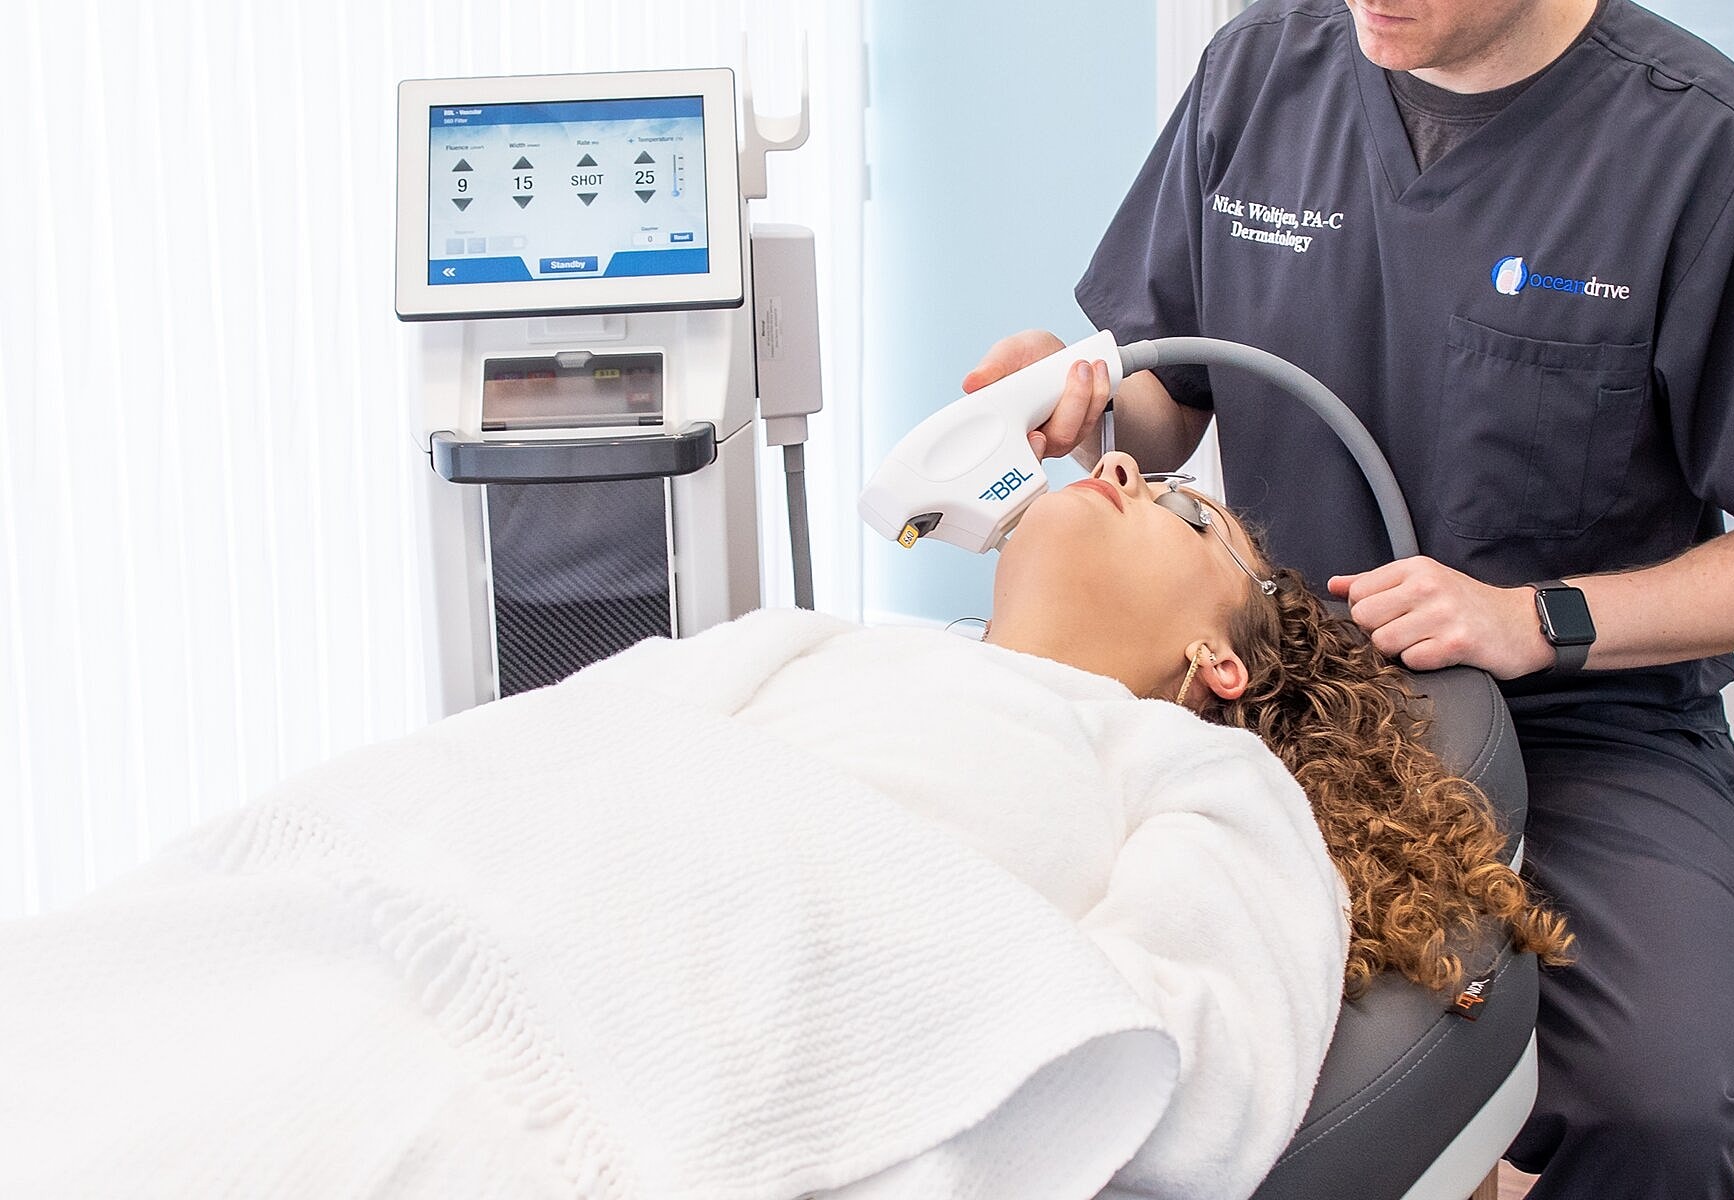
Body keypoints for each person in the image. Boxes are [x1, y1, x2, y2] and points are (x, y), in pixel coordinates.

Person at [0, 449, 1565, 1200]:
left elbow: (1201, 1072)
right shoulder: (827, 642)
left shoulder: (1191, 774)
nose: (1118, 464)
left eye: (1185, 506)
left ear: (1218, 664)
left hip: (639, 1082)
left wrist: (873, 972)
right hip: (404, 938)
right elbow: (559, 754)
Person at [964, 1, 1734, 1195]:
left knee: (1651, 1114)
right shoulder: (1264, 69)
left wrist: (1534, 618)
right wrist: (1086, 394)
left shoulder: (1705, 151)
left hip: (1584, 726)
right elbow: (1171, 391)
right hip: (1275, 711)